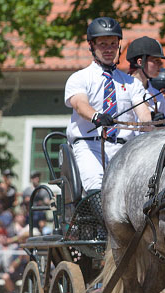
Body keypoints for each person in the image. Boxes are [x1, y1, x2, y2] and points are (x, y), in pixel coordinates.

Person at [64, 17, 152, 192]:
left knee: (140, 191)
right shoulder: (80, 78)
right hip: (90, 146)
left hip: (125, 149)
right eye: (103, 44)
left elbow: (142, 110)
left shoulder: (131, 83)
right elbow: (80, 104)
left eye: (113, 44)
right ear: (91, 46)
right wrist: (96, 116)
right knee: (97, 189)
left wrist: (147, 123)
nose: (109, 49)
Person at [126, 36, 165, 122]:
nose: (161, 64)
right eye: (156, 60)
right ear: (140, 62)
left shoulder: (158, 96)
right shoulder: (121, 88)